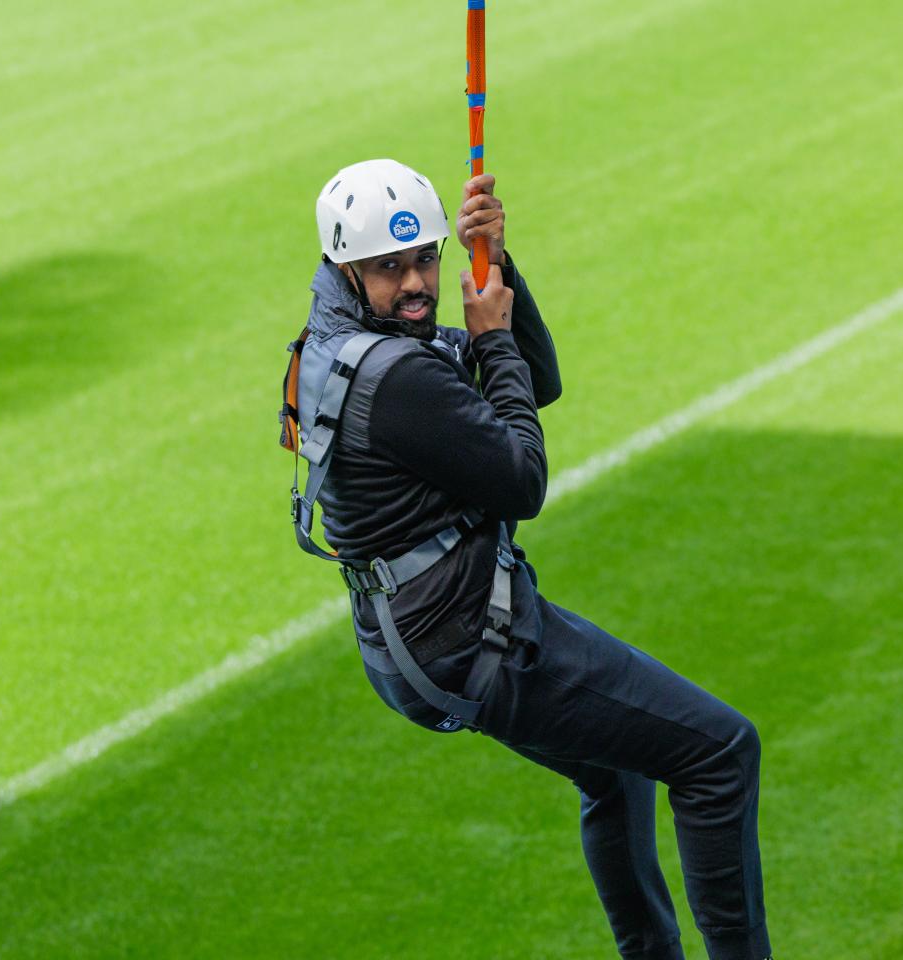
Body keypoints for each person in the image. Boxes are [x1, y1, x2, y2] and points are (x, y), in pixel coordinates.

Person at [282, 157, 773, 960]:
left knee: (616, 773)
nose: (417, 283)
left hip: (419, 640)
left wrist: (497, 265)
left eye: (428, 258)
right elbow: (522, 478)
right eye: (390, 267)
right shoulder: (399, 376)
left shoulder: (337, 341)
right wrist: (492, 339)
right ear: (346, 266)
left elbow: (533, 380)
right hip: (477, 641)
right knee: (719, 753)